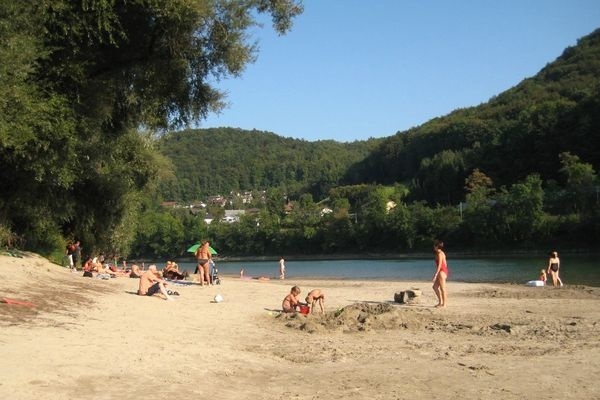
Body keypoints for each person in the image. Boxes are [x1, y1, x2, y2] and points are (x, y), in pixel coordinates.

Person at [432, 240, 449, 308]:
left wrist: (436, 274)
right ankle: (440, 302)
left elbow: (440, 265)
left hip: (442, 272)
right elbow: (445, 264)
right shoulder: (439, 253)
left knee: (442, 288)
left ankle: (444, 304)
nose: (433, 247)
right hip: (442, 271)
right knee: (435, 287)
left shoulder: (440, 254)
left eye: (434, 245)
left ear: (436, 246)